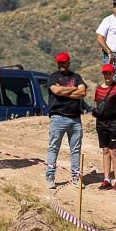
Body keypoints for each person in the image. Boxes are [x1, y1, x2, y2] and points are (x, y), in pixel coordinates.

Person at [46, 52, 87, 189]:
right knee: (53, 147)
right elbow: (56, 91)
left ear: (68, 63)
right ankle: (50, 177)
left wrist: (64, 90)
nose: (61, 65)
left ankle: (76, 177)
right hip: (58, 117)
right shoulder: (53, 77)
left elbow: (82, 92)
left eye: (63, 62)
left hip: (75, 118)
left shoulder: (77, 77)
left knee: (75, 150)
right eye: (59, 62)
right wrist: (73, 89)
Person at [93, 63, 116, 191]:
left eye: (109, 73)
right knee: (105, 150)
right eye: (105, 73)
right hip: (101, 123)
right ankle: (106, 179)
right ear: (103, 74)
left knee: (114, 151)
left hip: (114, 123)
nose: (107, 76)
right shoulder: (98, 89)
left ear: (113, 74)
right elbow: (98, 104)